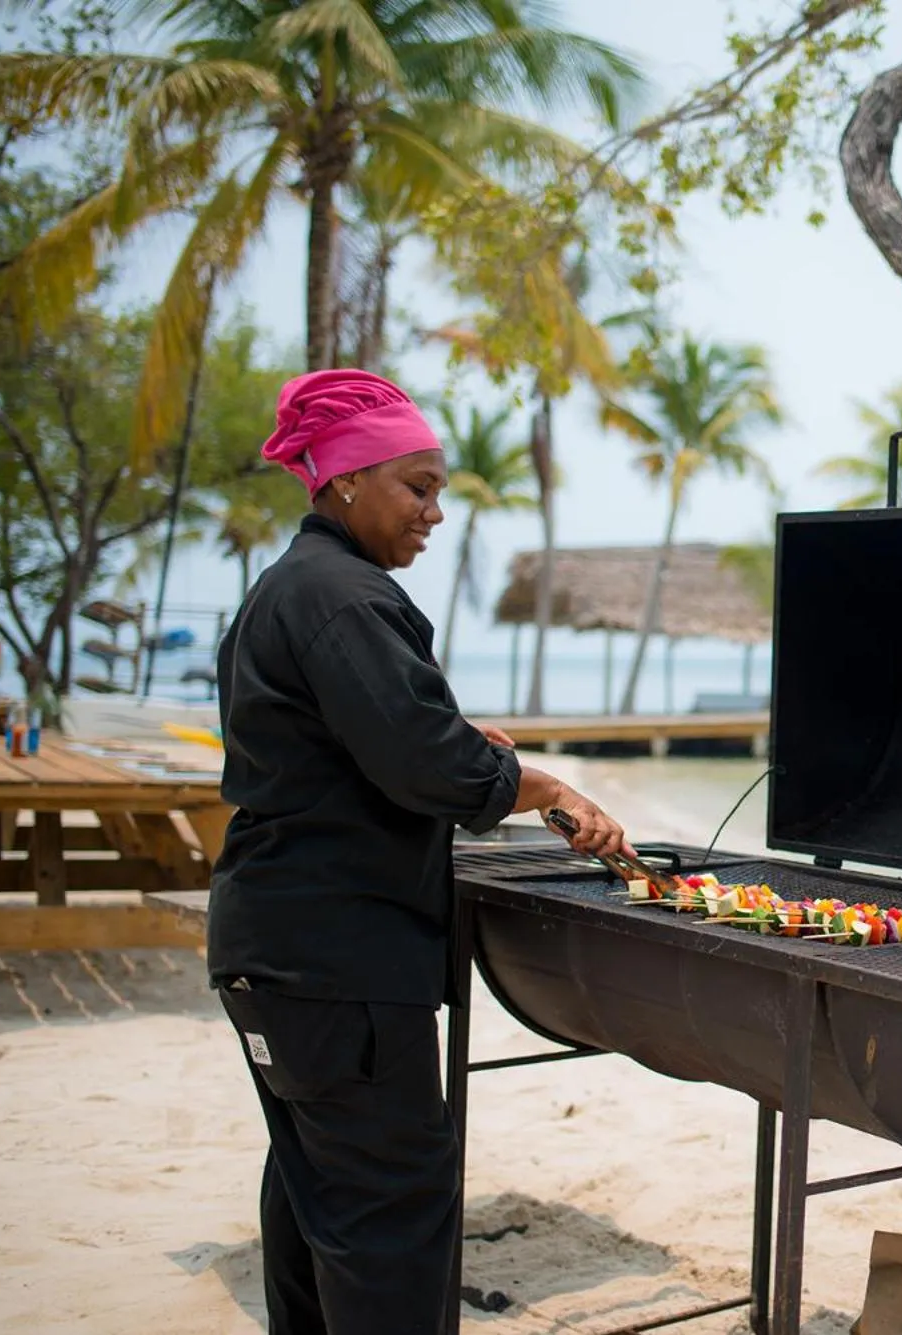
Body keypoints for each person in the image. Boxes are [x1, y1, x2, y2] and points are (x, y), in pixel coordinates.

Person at [206, 368, 626, 1335]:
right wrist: (549, 789)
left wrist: (457, 740)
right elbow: (429, 771)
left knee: (318, 1201)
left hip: (272, 954)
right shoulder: (347, 598)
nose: (435, 512)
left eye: (439, 491)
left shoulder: (291, 589)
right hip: (336, 961)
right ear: (346, 481)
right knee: (392, 1213)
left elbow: (350, 743)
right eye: (418, 486)